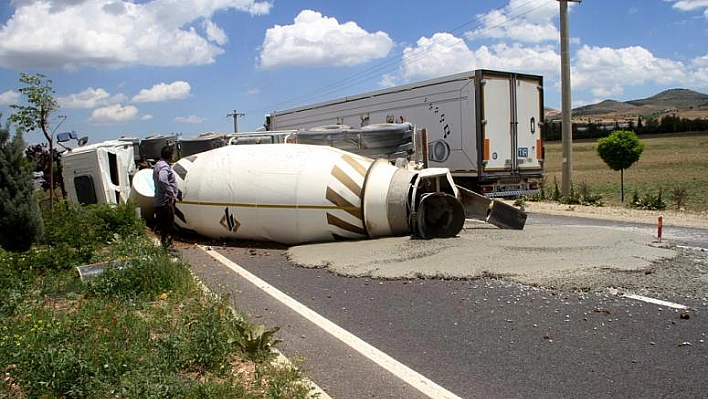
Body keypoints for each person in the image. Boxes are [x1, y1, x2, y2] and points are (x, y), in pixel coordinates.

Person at [153, 145, 178, 249]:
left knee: (164, 225)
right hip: (165, 202)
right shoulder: (164, 167)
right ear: (170, 156)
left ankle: (165, 244)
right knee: (168, 224)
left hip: (160, 200)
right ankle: (167, 246)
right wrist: (171, 193)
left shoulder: (158, 164)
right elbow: (163, 179)